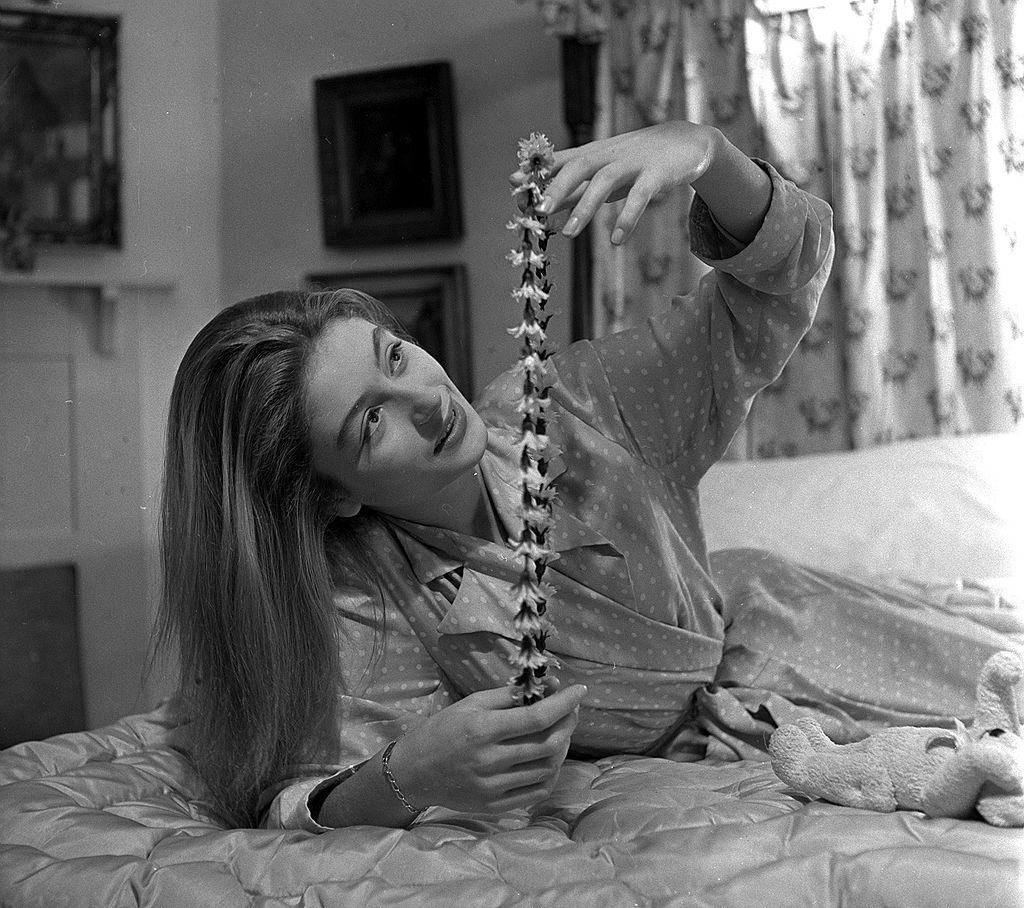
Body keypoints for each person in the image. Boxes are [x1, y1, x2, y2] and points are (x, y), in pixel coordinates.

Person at [158, 120, 836, 831]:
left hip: (792, 628)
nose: (425, 400)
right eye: (371, 423)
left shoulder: (571, 402)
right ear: (333, 494)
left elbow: (775, 289)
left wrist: (710, 156)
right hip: (714, 775)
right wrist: (406, 777)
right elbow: (301, 797)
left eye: (395, 357)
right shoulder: (367, 596)